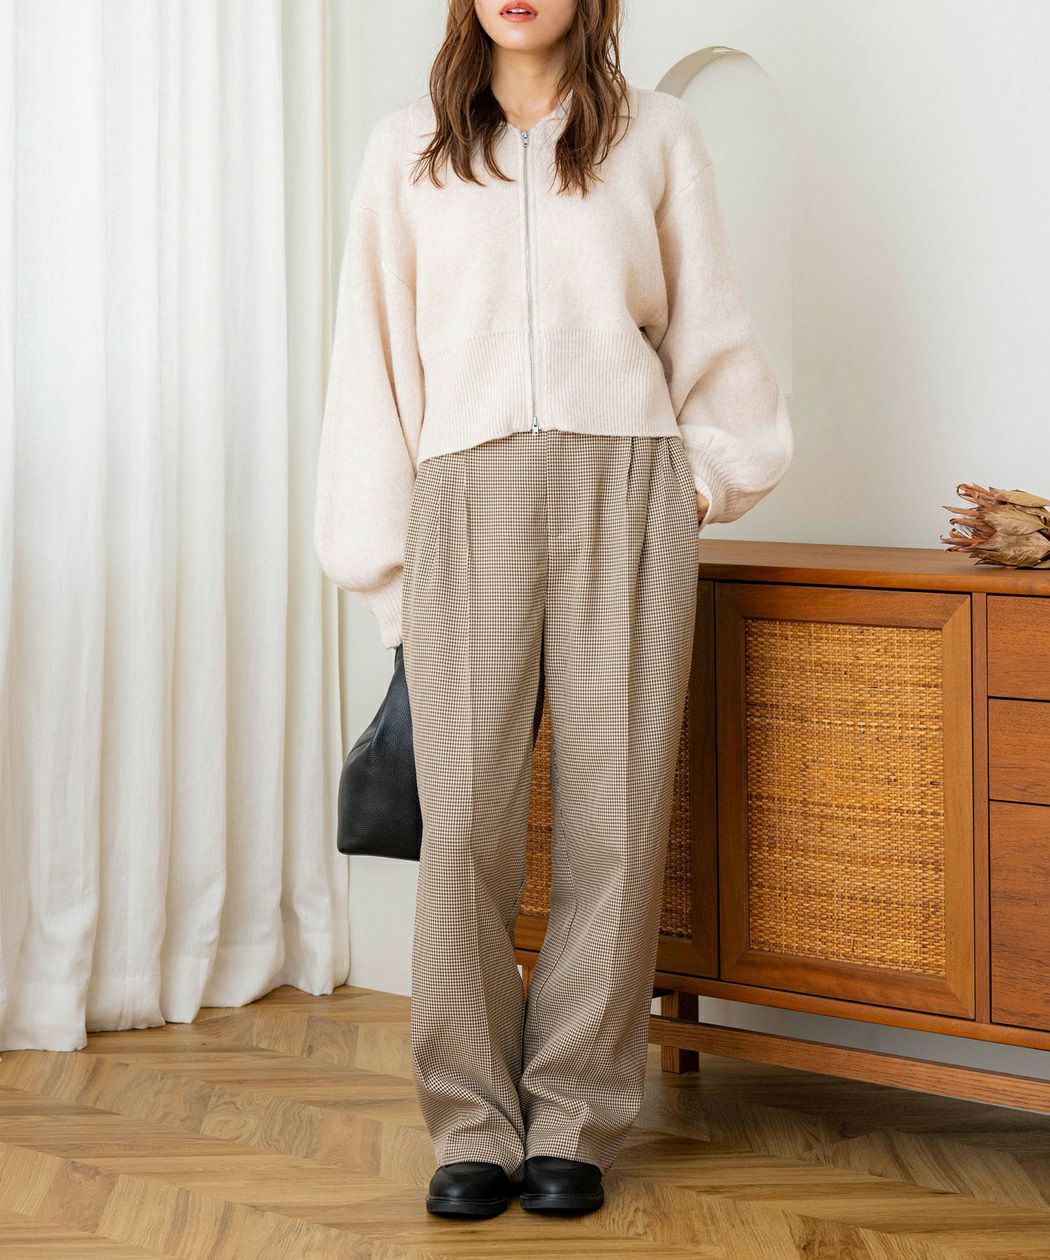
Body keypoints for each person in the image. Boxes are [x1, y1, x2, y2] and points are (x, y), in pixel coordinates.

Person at [313, 0, 793, 1221]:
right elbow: (372, 360)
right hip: (463, 495)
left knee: (614, 821)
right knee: (464, 822)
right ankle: (472, 1121)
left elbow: (712, 325)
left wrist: (693, 482)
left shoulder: (658, 134)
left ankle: (573, 1113)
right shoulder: (407, 148)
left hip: (625, 487)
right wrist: (386, 571)